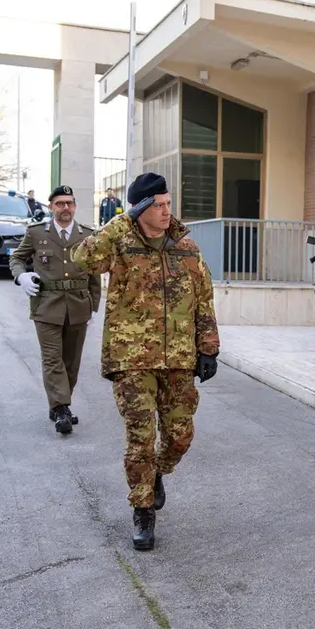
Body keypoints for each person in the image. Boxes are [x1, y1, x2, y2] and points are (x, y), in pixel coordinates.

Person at [73, 172, 220, 552]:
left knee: (180, 436)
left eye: (168, 203)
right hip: (131, 358)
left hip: (179, 359)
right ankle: (142, 512)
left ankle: (156, 473)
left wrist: (209, 347)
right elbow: (83, 257)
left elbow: (203, 297)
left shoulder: (185, 246)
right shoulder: (120, 242)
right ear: (139, 209)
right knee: (139, 439)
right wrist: (121, 219)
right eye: (157, 205)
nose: (166, 211)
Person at [9, 185, 101, 435]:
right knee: (52, 359)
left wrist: (93, 306)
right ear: (51, 207)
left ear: (75, 206)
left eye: (69, 203)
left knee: (71, 362)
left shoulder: (88, 236)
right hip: (46, 305)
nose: (65, 208)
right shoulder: (37, 233)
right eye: (60, 204)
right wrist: (22, 277)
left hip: (79, 306)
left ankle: (58, 405)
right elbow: (16, 258)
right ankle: (62, 409)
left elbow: (94, 272)